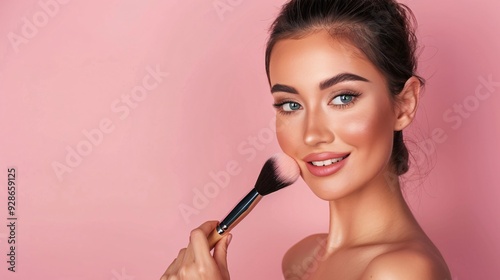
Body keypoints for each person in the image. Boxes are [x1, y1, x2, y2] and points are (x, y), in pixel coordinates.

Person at [161, 0, 451, 279]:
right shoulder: (302, 259)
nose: (312, 134)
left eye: (343, 98)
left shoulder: (404, 272)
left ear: (404, 104)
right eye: (291, 105)